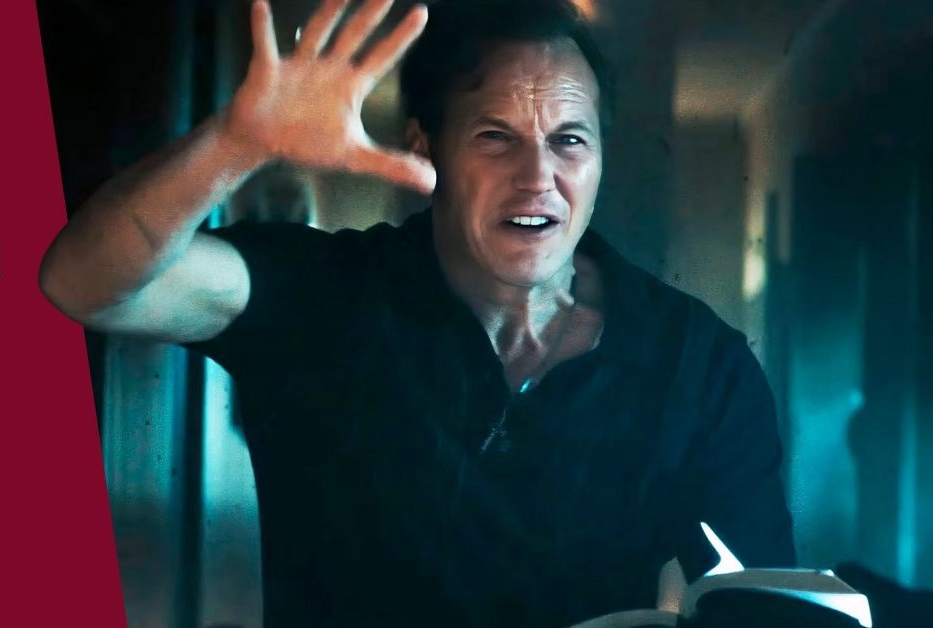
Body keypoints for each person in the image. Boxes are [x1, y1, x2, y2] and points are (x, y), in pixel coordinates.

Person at [39, 0, 796, 625]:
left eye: (569, 140)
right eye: (495, 138)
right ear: (426, 148)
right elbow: (84, 284)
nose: (538, 176)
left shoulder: (701, 366)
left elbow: (762, 601)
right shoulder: (325, 296)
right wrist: (238, 143)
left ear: (600, 158)